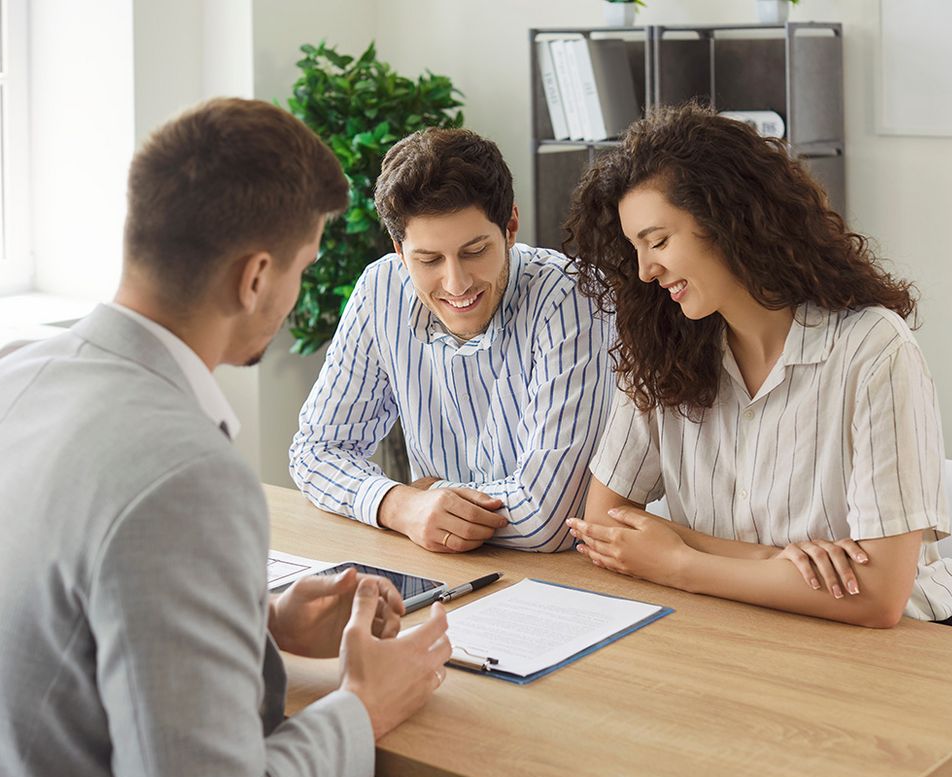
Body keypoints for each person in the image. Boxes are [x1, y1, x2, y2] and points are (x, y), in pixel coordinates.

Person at [0, 98, 452, 777]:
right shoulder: (185, 479)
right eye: (301, 266)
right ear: (255, 279)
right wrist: (364, 708)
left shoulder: (3, 379)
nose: (297, 289)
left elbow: (53, 624)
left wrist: (260, 623)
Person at [564, 103, 952, 628]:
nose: (646, 269)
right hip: (728, 630)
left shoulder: (873, 350)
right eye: (636, 248)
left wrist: (679, 561)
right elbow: (603, 527)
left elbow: (880, 595)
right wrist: (771, 559)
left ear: (729, 220)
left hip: (884, 649)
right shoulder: (662, 349)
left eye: (657, 241)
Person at [290, 127, 613, 554]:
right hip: (444, 567)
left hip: (568, 583)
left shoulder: (572, 296)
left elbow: (546, 519)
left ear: (511, 226)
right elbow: (315, 451)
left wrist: (433, 496)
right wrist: (401, 504)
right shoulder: (380, 289)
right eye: (428, 260)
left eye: (474, 251)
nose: (456, 283)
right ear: (399, 249)